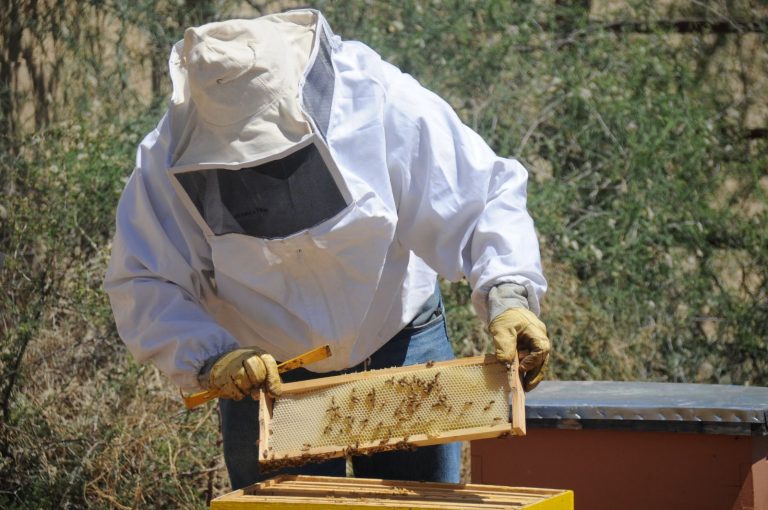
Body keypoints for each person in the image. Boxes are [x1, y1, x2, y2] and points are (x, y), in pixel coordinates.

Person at [104, 8, 550, 489]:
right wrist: (211, 357)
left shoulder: (377, 98)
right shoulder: (167, 157)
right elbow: (145, 280)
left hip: (400, 340)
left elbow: (478, 197)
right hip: (268, 377)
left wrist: (509, 295)